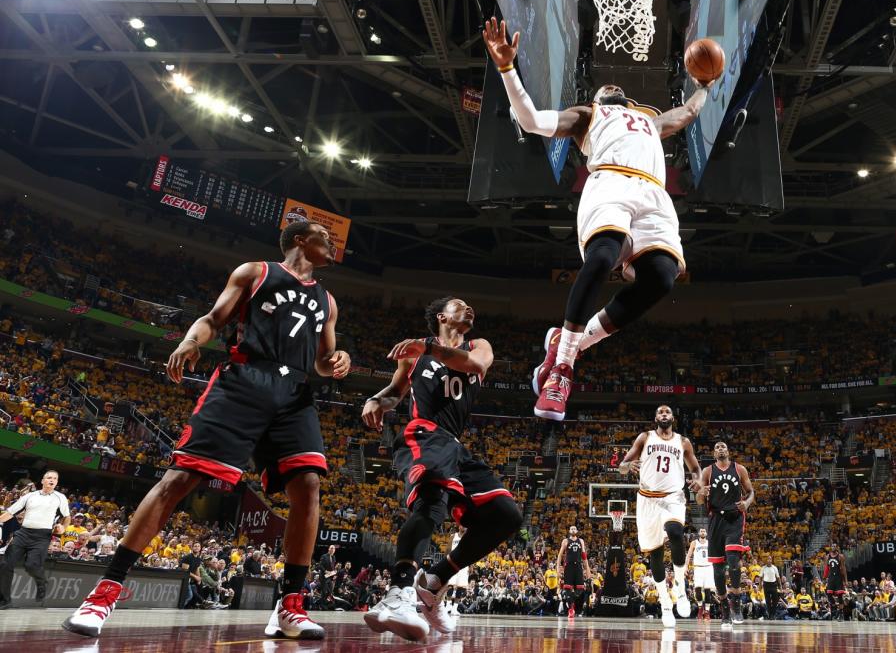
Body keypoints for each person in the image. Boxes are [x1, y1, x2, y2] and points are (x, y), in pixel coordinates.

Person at [62, 221, 350, 639]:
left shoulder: (328, 300)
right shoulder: (256, 271)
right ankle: (104, 593)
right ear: (301, 240)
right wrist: (191, 341)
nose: (333, 242)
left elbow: (323, 359)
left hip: (295, 393)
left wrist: (336, 361)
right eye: (325, 234)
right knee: (179, 479)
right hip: (244, 381)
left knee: (308, 484)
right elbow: (214, 318)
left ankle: (291, 606)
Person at [483, 17, 714, 421]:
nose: (614, 87)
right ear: (598, 96)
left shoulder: (648, 120)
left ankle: (565, 342)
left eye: (617, 89)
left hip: (655, 195)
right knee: (604, 257)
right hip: (609, 182)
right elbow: (532, 121)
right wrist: (507, 69)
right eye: (606, 87)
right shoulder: (587, 116)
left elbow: (686, 116)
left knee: (661, 278)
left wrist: (704, 89)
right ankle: (561, 371)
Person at [361, 297, 523, 641]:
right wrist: (377, 399)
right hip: (424, 431)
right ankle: (399, 593)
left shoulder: (477, 346)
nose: (470, 309)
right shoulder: (415, 354)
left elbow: (474, 365)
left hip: (455, 444)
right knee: (432, 500)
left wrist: (429, 348)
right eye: (460, 305)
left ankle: (433, 581)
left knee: (507, 515)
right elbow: (395, 391)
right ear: (441, 316)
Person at [617, 405, 703, 628]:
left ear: (673, 417)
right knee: (655, 554)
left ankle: (681, 588)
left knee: (675, 532)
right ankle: (665, 601)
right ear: (655, 417)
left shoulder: (683, 442)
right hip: (647, 499)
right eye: (660, 412)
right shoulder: (644, 437)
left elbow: (695, 468)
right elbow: (622, 467)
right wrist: (628, 465)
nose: (664, 415)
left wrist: (698, 480)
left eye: (667, 412)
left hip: (673, 496)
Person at [695, 440, 754, 630]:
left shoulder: (739, 469)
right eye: (717, 447)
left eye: (723, 447)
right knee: (718, 570)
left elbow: (751, 492)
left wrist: (747, 503)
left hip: (735, 518)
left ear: (728, 451)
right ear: (714, 454)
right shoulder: (707, 472)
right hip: (716, 520)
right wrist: (701, 493)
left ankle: (736, 604)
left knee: (733, 561)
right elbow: (698, 500)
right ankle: (724, 611)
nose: (721, 449)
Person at [0, 471, 69, 608]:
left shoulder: (60, 497)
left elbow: (67, 517)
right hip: (23, 533)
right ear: (42, 481)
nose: (52, 480)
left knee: (31, 565)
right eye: (49, 477)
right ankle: (5, 600)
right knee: (5, 564)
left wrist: (63, 528)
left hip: (42, 536)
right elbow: (10, 513)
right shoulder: (30, 496)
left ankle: (41, 582)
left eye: (55, 478)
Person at [556, 525, 591, 617]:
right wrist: (558, 568)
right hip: (569, 566)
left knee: (580, 589)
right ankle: (571, 609)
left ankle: (571, 600)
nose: (573, 529)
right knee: (567, 588)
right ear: (569, 530)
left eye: (574, 528)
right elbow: (560, 555)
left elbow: (584, 556)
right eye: (571, 528)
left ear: (577, 530)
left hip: (578, 565)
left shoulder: (581, 541)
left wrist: (587, 570)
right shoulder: (565, 541)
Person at [689, 528, 715, 616]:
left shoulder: (710, 542)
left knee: (708, 590)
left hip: (708, 567)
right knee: (698, 589)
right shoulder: (694, 543)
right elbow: (688, 556)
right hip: (698, 568)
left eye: (704, 531)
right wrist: (685, 567)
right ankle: (700, 608)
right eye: (701, 531)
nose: (703, 532)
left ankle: (707, 611)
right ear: (699, 533)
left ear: (706, 533)